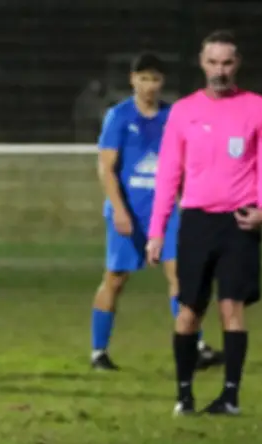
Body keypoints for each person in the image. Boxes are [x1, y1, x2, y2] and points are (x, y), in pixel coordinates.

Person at [146, 30, 262, 415]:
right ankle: (184, 395)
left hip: (239, 224)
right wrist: (156, 231)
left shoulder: (258, 109)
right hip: (197, 223)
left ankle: (230, 397)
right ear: (202, 64)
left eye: (227, 62)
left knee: (231, 307)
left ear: (237, 64)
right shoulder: (184, 112)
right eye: (213, 62)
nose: (220, 70)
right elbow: (168, 174)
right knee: (189, 310)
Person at [90, 52, 221, 371]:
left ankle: (194, 346)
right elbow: (106, 168)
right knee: (115, 279)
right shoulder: (118, 117)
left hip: (166, 212)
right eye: (144, 78)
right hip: (130, 211)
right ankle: (98, 352)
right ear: (132, 80)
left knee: (181, 277)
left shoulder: (173, 116)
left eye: (155, 79)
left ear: (163, 82)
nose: (149, 85)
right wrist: (119, 210)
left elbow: (184, 165)